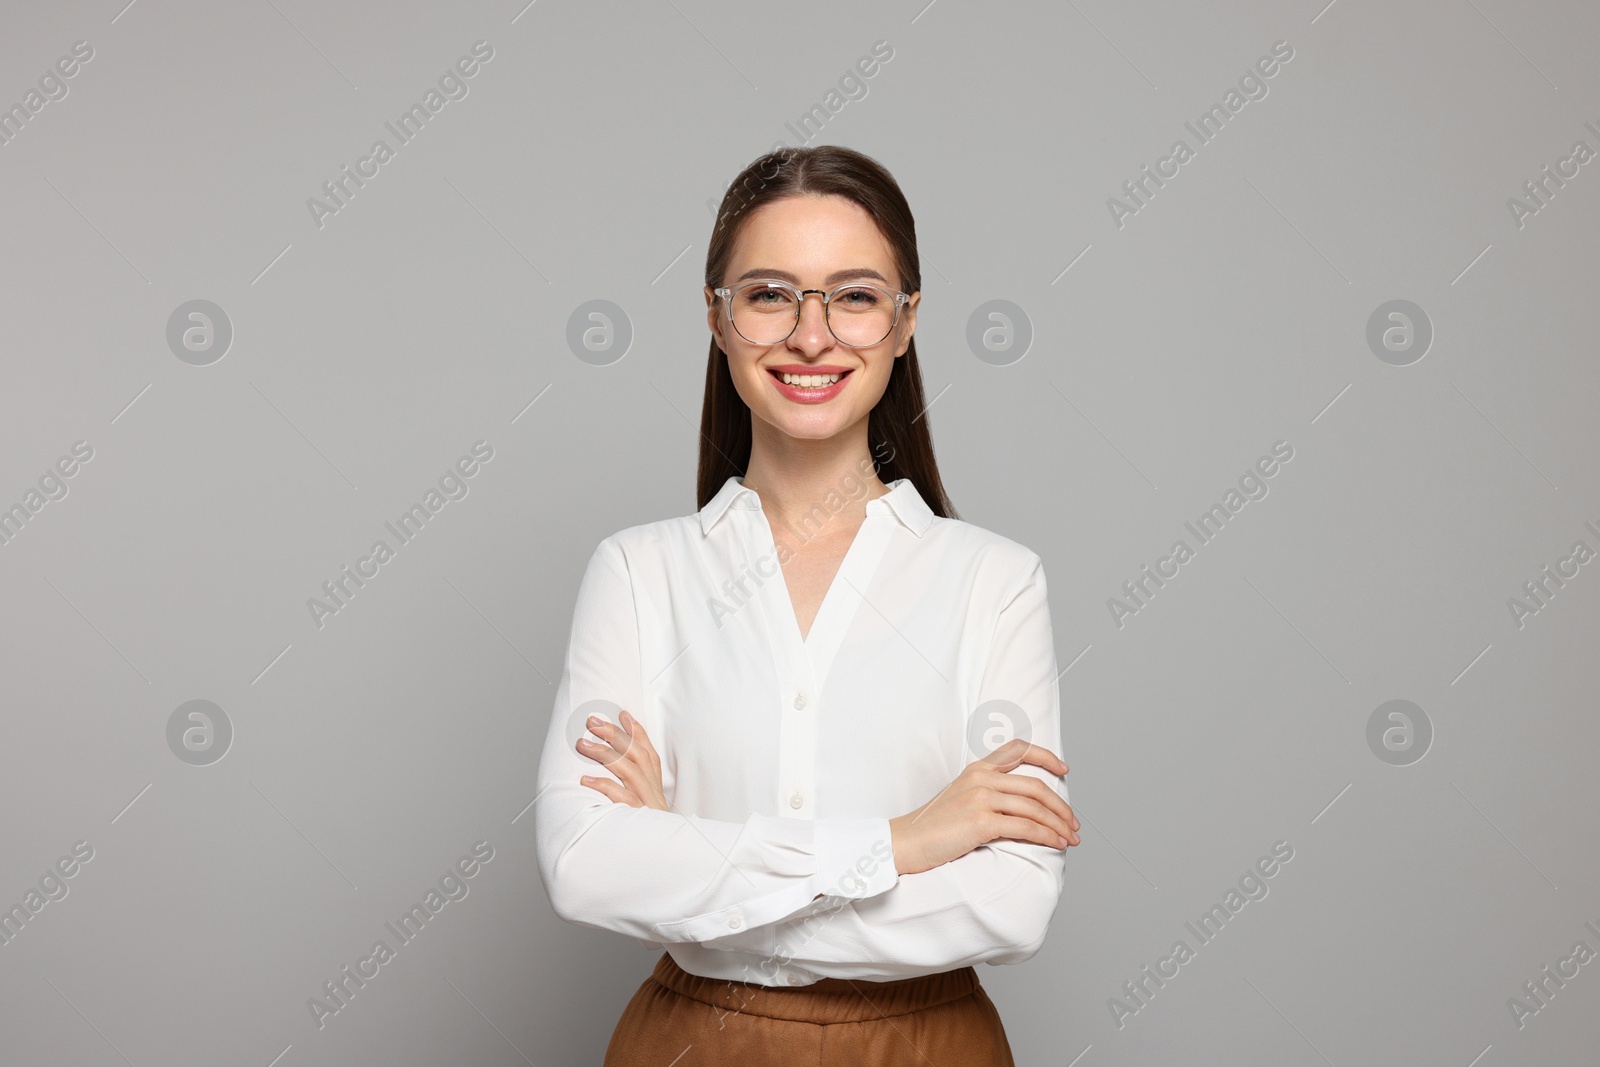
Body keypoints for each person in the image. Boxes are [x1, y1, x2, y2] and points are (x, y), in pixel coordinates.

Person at [534, 144, 1079, 1065]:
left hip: (925, 1046)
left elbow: (1012, 899)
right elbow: (585, 866)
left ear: (907, 323)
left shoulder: (995, 582)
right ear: (717, 315)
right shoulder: (638, 572)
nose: (812, 335)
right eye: (770, 293)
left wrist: (694, 867)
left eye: (856, 296)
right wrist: (906, 840)